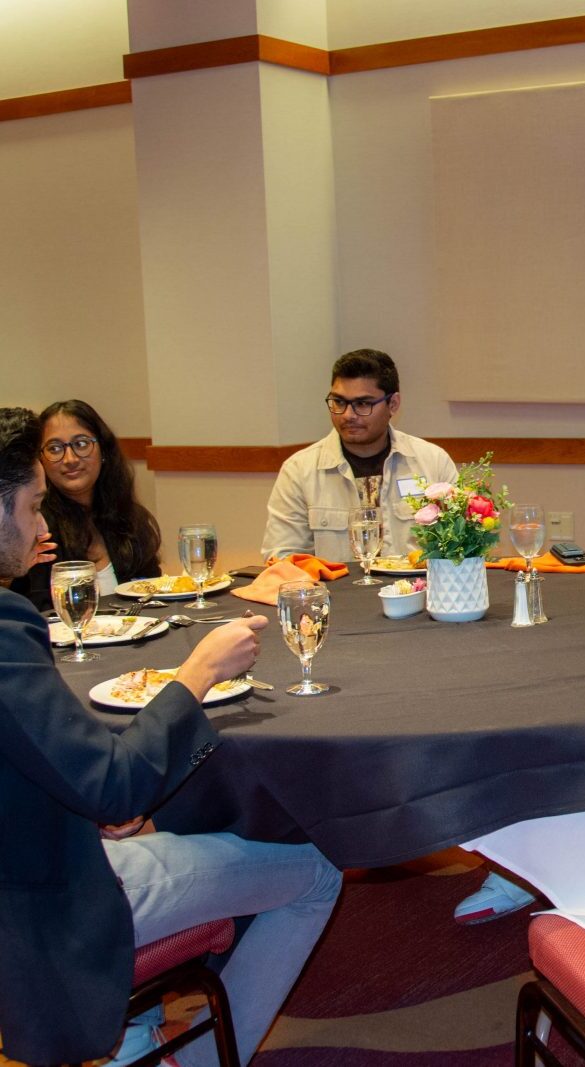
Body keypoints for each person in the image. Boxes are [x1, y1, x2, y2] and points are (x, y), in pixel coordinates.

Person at [0, 407, 342, 1066]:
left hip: (32, 863)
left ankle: (140, 1036)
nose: (42, 527)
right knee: (317, 867)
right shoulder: (7, 632)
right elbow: (115, 785)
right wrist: (199, 671)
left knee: (179, 827)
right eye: (33, 506)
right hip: (52, 902)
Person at [261, 348, 457, 560]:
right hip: (334, 592)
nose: (348, 415)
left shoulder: (432, 462)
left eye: (362, 404)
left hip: (415, 591)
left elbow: (462, 546)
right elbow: (282, 558)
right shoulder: (299, 471)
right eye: (339, 402)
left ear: (393, 404)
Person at [10, 399, 162, 610]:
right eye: (54, 448)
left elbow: (154, 597)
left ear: (103, 451)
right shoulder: (35, 529)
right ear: (40, 460)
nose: (70, 459)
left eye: (81, 444)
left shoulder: (133, 519)